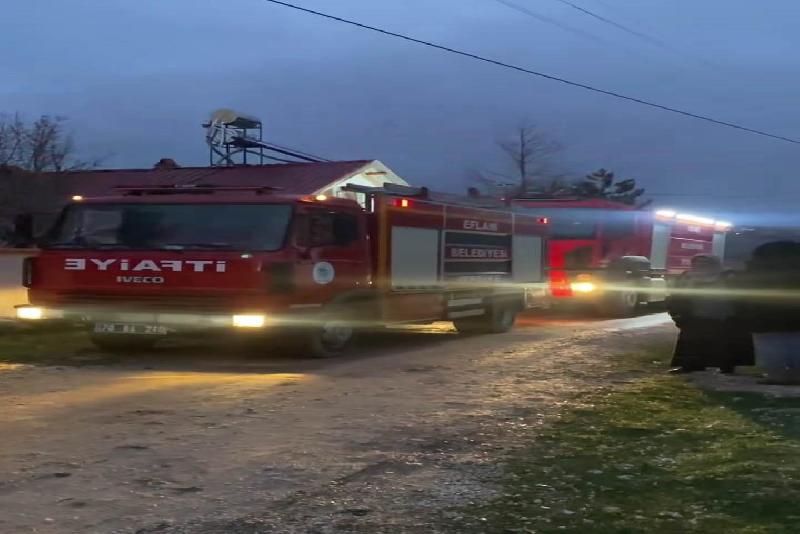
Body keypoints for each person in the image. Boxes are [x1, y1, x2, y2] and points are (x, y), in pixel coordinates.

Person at [667, 254, 735, 373]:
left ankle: (725, 366)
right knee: (691, 341)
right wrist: (677, 311)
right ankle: (689, 365)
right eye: (697, 263)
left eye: (705, 263)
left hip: (719, 315)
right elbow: (677, 294)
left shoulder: (726, 276)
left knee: (722, 341)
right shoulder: (687, 276)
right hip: (693, 315)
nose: (700, 266)